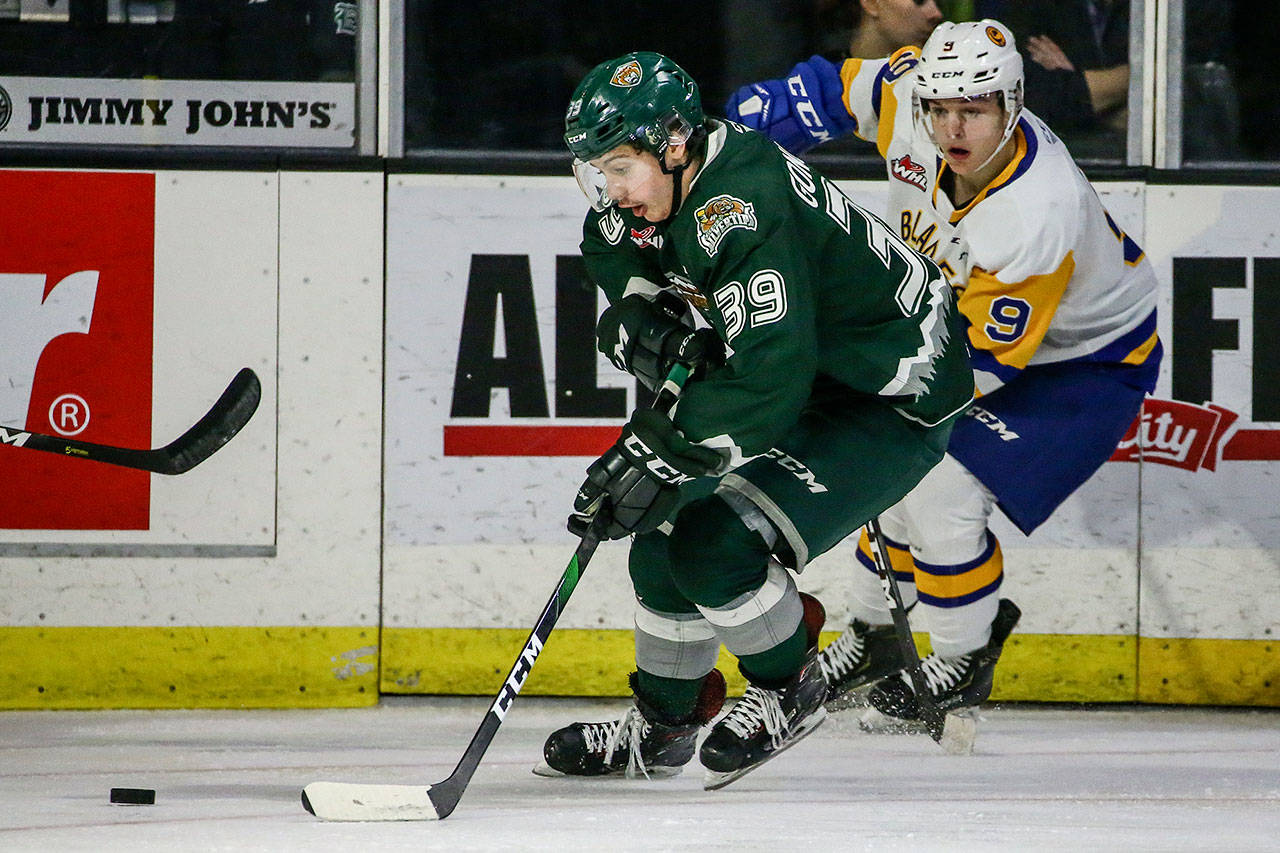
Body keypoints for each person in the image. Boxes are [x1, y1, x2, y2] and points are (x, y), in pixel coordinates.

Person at [537, 51, 974, 787]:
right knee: (660, 536)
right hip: (817, 369)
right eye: (598, 172)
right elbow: (609, 249)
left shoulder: (734, 207)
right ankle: (666, 723)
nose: (608, 190)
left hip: (893, 397)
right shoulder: (663, 185)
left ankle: (787, 687)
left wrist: (663, 449)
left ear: (675, 145)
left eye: (618, 167)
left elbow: (768, 381)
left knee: (713, 545)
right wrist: (647, 319)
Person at [724, 19, 1161, 725]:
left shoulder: (1034, 212)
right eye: (942, 108)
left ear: (1013, 104)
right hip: (967, 327)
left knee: (937, 478)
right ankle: (873, 638)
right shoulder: (909, 101)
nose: (953, 127)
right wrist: (727, 150)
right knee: (890, 467)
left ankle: (965, 655)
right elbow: (822, 93)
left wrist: (861, 395)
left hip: (1086, 359)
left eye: (976, 109)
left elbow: (974, 368)